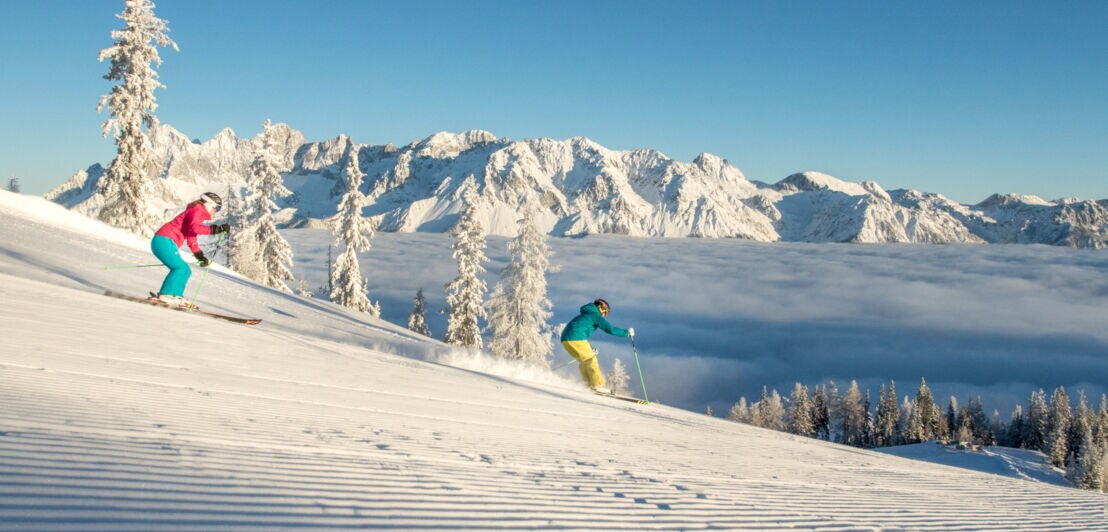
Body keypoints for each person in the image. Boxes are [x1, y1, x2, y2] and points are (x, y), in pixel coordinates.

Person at [151, 192, 230, 307]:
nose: (216, 211)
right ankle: (166, 295)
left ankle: (176, 296)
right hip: (164, 240)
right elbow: (195, 228)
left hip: (164, 241)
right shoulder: (197, 210)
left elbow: (191, 236)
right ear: (209, 204)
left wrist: (199, 255)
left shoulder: (196, 212)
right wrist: (215, 229)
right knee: (180, 268)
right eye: (217, 208)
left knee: (186, 270)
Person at [560, 298, 634, 393]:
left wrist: (591, 349)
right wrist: (626, 333)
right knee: (591, 360)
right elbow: (610, 329)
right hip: (575, 338)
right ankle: (597, 385)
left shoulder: (586, 314)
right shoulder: (595, 315)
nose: (604, 315)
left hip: (566, 340)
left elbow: (579, 332)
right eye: (605, 312)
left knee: (584, 361)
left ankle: (587, 385)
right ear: (601, 308)